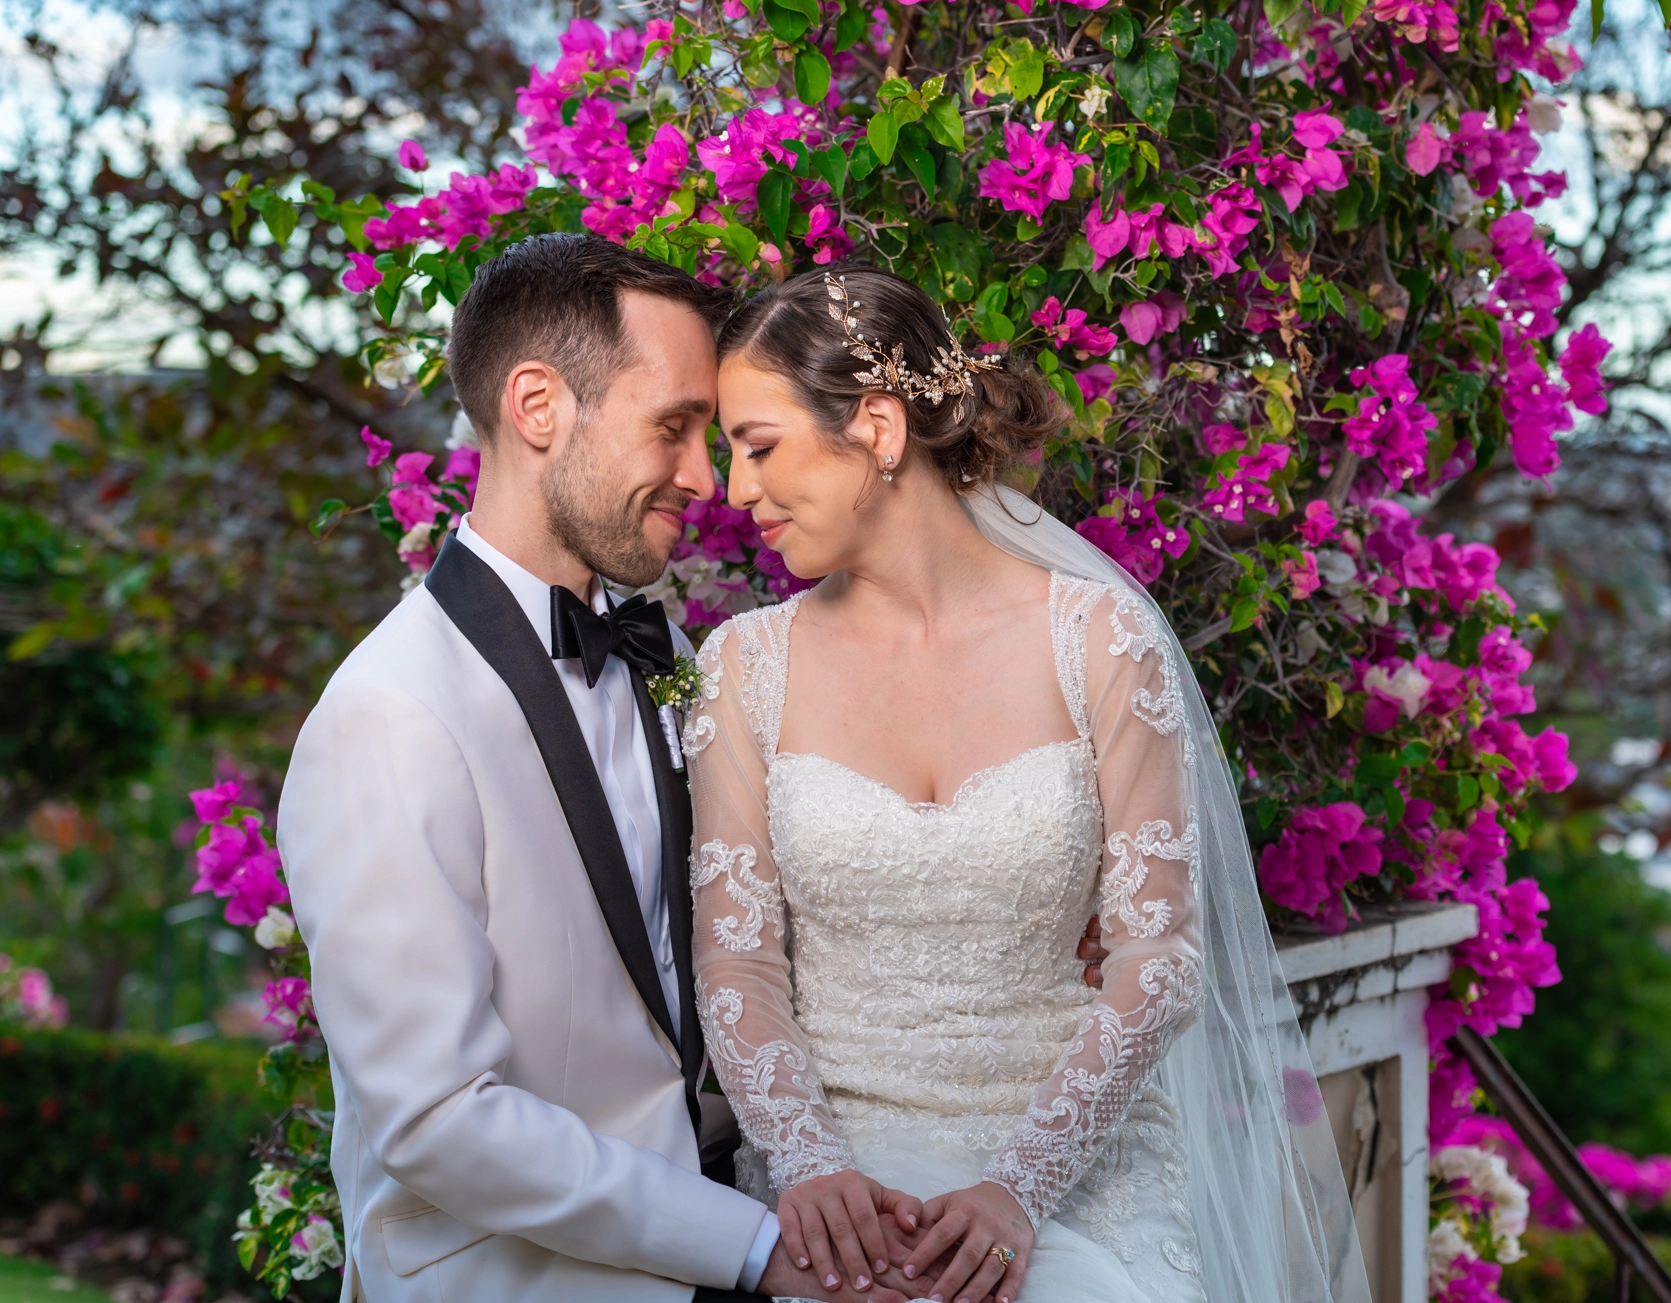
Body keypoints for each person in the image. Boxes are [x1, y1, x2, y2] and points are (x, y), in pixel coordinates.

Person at [278, 235, 974, 1303]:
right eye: (673, 427)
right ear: (538, 407)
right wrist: (753, 1249)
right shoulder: (388, 716)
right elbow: (436, 1116)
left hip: (731, 1229)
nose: (707, 478)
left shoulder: (670, 658)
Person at [687, 266, 1369, 1303]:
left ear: (875, 426)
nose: (737, 491)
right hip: (845, 1175)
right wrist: (809, 1162)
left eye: (758, 447)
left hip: (1073, 1167)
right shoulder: (743, 668)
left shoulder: (1098, 640)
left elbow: (1159, 957)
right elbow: (737, 967)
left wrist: (1018, 1185)